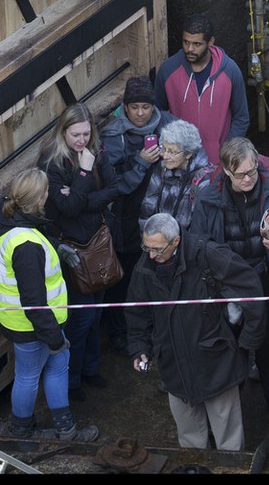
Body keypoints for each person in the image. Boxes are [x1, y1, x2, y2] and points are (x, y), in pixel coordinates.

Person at [190, 136, 269, 431]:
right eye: (241, 174)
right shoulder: (207, 199)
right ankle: (233, 407)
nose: (249, 178)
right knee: (231, 347)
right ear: (226, 172)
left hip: (267, 277)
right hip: (228, 284)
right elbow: (198, 241)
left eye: (253, 171)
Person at [125, 212, 266, 451]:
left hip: (216, 358)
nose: (150, 255)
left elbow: (251, 287)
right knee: (189, 434)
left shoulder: (208, 254)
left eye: (158, 249)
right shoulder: (146, 265)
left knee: (227, 432)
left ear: (176, 241)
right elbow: (137, 310)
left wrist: (248, 339)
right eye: (146, 247)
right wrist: (139, 347)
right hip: (174, 363)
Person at [0, 167, 99, 443]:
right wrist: (55, 338)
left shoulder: (1, 218)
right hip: (37, 324)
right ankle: (66, 430)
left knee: (25, 375)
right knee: (52, 368)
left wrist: (53, 243)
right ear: (41, 199)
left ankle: (22, 430)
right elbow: (34, 301)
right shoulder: (27, 246)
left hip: (15, 321)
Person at [37, 102, 119, 402]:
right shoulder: (51, 162)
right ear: (63, 132)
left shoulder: (97, 150)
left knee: (96, 312)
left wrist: (81, 196)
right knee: (80, 319)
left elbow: (114, 188)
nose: (82, 140)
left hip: (97, 241)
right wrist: (84, 174)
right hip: (71, 246)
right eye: (76, 135)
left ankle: (90, 369)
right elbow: (66, 210)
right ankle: (72, 381)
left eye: (86, 134)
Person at [99, 75, 177, 356]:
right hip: (126, 218)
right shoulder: (113, 135)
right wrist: (141, 163)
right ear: (126, 107)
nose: (141, 113)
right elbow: (114, 186)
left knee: (156, 275)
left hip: (160, 214)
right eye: (135, 107)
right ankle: (120, 332)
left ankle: (156, 329)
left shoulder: (168, 125)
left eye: (145, 106)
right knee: (124, 279)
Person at [153, 13, 250, 164]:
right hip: (180, 162)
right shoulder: (168, 70)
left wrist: (227, 150)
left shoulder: (230, 71)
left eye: (197, 44)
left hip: (217, 162)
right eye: (186, 42)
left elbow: (241, 117)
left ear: (210, 42)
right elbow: (157, 114)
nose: (189, 49)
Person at [139, 118, 214, 232]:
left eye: (172, 152)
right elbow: (149, 202)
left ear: (188, 153)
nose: (165, 156)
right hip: (157, 238)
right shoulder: (163, 166)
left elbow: (200, 222)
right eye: (163, 148)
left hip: (184, 243)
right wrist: (147, 233)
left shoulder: (202, 178)